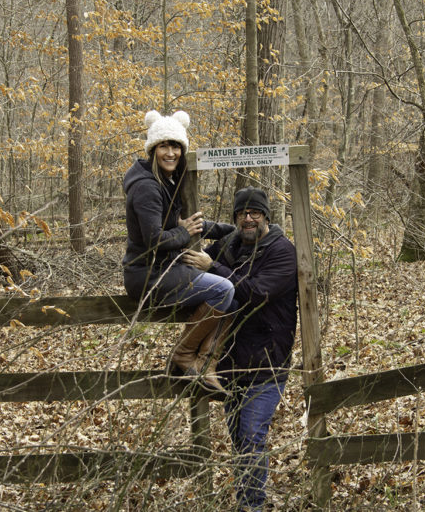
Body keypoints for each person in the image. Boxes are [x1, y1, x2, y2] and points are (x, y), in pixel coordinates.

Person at [181, 186, 298, 511]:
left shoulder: (282, 251)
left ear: (266, 217)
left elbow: (256, 292)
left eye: (255, 213)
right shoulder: (229, 246)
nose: (248, 218)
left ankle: (252, 506)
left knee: (251, 436)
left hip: (267, 363)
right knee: (239, 440)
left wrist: (212, 267)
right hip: (230, 364)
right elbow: (194, 260)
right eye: (242, 213)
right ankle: (247, 500)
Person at [122, 110, 236, 392]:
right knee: (224, 290)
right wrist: (183, 232)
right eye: (163, 146)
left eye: (175, 146)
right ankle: (184, 355)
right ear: (153, 149)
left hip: (163, 270)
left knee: (234, 297)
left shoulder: (164, 182)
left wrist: (230, 229)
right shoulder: (147, 187)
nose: (170, 153)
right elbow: (156, 240)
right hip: (147, 275)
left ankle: (206, 363)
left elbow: (187, 226)